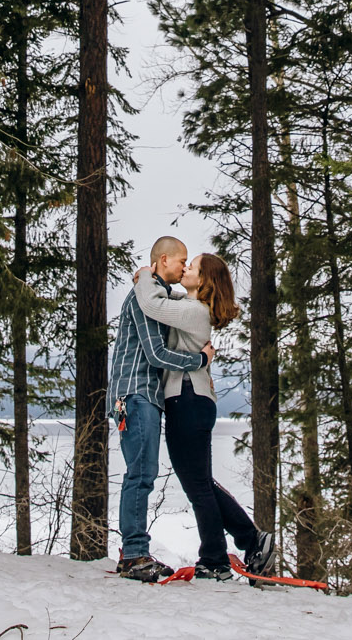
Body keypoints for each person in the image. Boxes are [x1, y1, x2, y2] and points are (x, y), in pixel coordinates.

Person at [133, 251, 277, 582]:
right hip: (191, 399)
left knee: (197, 485)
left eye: (192, 267)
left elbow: (154, 305)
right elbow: (165, 298)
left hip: (189, 399)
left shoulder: (195, 311)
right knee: (200, 483)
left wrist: (144, 275)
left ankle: (214, 559)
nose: (185, 269)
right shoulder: (192, 307)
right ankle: (251, 540)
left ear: (204, 280)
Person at [108, 235, 211, 582]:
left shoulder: (156, 294)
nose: (184, 267)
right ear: (164, 259)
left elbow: (179, 303)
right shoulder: (144, 296)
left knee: (142, 470)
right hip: (133, 393)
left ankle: (133, 553)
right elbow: (155, 354)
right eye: (181, 261)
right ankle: (135, 554)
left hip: (140, 394)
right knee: (141, 471)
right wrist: (198, 360)